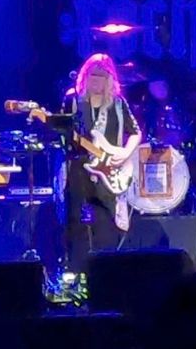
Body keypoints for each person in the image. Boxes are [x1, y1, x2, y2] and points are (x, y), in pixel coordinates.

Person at [34, 53, 141, 272]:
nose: (96, 80)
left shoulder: (118, 104)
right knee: (76, 221)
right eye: (93, 75)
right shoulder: (73, 100)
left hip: (111, 169)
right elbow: (63, 131)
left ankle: (107, 270)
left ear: (110, 79)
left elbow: (135, 133)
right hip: (79, 166)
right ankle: (77, 271)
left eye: (102, 76)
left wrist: (125, 153)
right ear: (85, 75)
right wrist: (48, 121)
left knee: (106, 221)